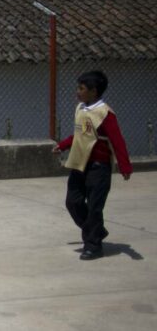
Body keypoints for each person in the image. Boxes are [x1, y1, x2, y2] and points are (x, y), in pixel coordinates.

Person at [54, 70, 132, 261]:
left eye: (81, 88)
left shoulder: (105, 113)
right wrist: (63, 145)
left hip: (99, 167)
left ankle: (93, 246)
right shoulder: (81, 108)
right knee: (73, 202)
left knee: (95, 207)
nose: (77, 92)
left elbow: (117, 140)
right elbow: (80, 135)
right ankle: (96, 231)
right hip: (79, 164)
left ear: (94, 91)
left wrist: (124, 166)